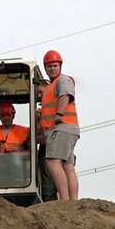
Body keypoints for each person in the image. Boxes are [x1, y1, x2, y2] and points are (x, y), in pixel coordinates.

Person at [39, 50, 80, 200]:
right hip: (68, 129)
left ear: (60, 66)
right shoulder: (51, 86)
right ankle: (72, 202)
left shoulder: (63, 80)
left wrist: (59, 115)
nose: (52, 68)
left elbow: (66, 95)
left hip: (62, 127)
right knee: (67, 166)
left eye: (55, 65)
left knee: (52, 162)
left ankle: (64, 200)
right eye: (49, 66)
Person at [35, 79, 57, 202]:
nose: (39, 96)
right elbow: (37, 134)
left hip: (52, 149)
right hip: (46, 149)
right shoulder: (41, 111)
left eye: (40, 92)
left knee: (50, 185)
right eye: (37, 93)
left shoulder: (56, 107)